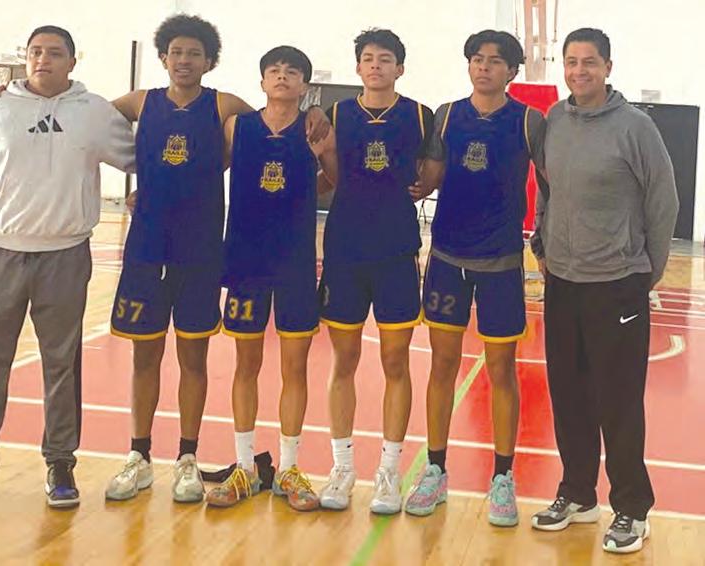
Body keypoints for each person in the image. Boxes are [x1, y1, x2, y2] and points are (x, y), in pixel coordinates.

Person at [104, 15, 330, 503]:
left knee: (194, 358)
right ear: (163, 57)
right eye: (176, 52)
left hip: (202, 248)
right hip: (147, 246)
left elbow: (268, 128)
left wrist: (316, 112)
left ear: (209, 61)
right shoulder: (140, 101)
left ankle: (188, 457)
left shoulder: (225, 108)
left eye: (194, 53)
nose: (184, 60)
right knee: (145, 357)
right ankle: (139, 455)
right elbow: (85, 115)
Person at [0, 25, 135, 510]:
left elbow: (143, 158)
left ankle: (60, 464)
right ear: (25, 58)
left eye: (54, 53)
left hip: (67, 256)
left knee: (61, 365)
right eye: (35, 52)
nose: (43, 59)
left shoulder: (93, 113)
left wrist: (150, 191)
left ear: (72, 61)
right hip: (1, 255)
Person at [529, 28, 678, 554]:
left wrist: (647, 270)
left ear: (608, 67)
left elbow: (663, 200)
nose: (579, 71)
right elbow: (547, 188)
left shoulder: (635, 127)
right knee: (568, 395)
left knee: (618, 401)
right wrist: (542, 243)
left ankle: (632, 508)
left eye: (589, 62)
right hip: (563, 282)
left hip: (617, 284)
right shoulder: (553, 121)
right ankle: (577, 494)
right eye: (571, 62)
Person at [405, 30, 546, 527]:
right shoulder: (447, 116)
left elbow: (552, 181)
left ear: (512, 71)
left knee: (502, 369)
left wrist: (549, 235)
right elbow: (428, 179)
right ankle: (435, 470)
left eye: (495, 61)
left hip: (501, 262)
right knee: (441, 365)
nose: (484, 67)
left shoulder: (529, 121)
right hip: (447, 257)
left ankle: (502, 477)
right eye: (477, 59)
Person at [204, 45, 336, 511]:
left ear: (305, 84)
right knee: (246, 364)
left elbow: (334, 180)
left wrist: (313, 178)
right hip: (246, 260)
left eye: (291, 71)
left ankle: (289, 468)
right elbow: (205, 170)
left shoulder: (316, 129)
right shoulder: (237, 127)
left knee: (294, 367)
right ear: (261, 81)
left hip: (295, 262)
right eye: (274, 70)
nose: (282, 77)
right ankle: (245, 466)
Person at [317, 28, 434, 515]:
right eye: (368, 58)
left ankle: (389, 470)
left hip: (396, 251)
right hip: (345, 250)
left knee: (395, 362)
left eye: (385, 59)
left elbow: (431, 172)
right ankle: (342, 467)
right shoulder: (336, 114)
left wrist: (426, 185)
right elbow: (331, 178)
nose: (376, 65)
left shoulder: (420, 115)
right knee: (343, 360)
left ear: (399, 68)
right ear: (357, 67)